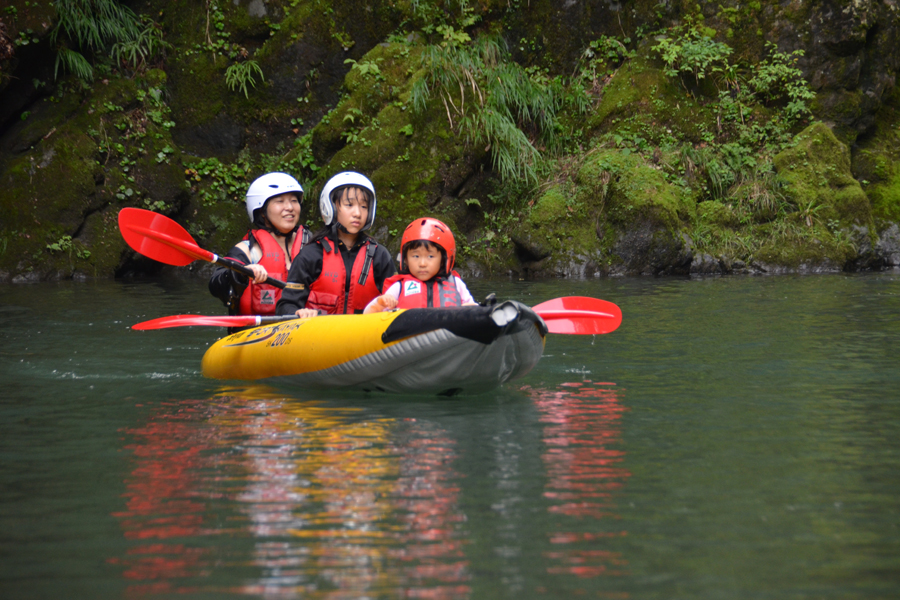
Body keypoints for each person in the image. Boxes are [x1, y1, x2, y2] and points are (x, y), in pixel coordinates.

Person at [276, 171, 395, 317]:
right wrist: (299, 312)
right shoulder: (311, 255)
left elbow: (397, 301)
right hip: (319, 336)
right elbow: (286, 305)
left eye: (364, 207)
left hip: (365, 337)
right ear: (330, 207)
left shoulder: (379, 256)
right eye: (349, 205)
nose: (357, 213)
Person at [208, 172, 309, 317]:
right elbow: (216, 284)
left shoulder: (312, 245)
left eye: (294, 201)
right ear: (261, 211)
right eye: (280, 201)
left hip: (307, 328)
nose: (290, 207)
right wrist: (241, 272)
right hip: (259, 332)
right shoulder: (248, 250)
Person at [364, 217, 477, 313]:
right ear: (406, 259)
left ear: (443, 260)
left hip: (448, 334)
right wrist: (381, 302)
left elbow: (473, 308)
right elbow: (368, 314)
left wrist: (469, 309)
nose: (422, 264)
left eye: (430, 256)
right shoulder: (398, 287)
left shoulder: (456, 284)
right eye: (416, 256)